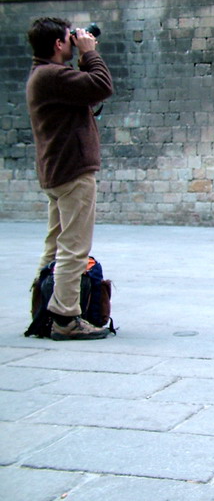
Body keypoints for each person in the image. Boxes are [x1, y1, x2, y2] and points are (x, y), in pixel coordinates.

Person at [26, 17, 114, 340]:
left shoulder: (45, 75)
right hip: (73, 173)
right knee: (74, 247)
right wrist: (90, 54)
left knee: (55, 245)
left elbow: (86, 95)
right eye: (69, 38)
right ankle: (65, 317)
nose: (75, 40)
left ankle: (42, 309)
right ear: (58, 45)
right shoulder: (51, 75)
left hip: (57, 172)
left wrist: (82, 60)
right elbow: (101, 85)